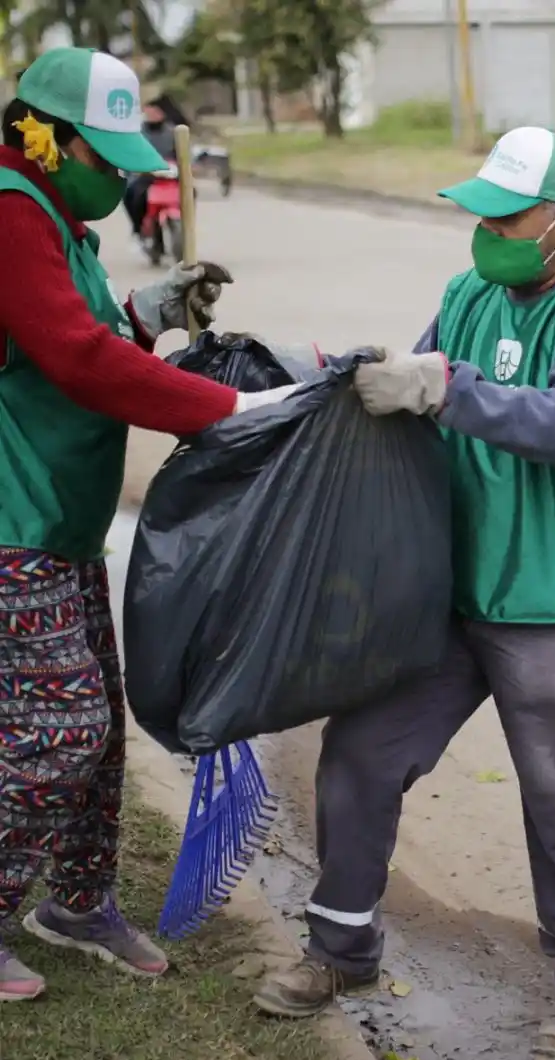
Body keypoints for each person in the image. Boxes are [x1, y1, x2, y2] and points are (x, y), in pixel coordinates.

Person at [254, 126, 555, 1060]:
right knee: (363, 750)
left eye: (507, 215)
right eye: (480, 211)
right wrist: (339, 385)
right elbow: (418, 392)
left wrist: (443, 388)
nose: (485, 230)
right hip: (453, 586)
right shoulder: (470, 293)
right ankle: (341, 948)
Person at [0, 47, 299, 1001]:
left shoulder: (54, 219)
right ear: (48, 137)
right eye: (110, 155)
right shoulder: (9, 214)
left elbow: (76, 332)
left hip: (61, 517)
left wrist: (147, 310)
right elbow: (77, 359)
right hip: (13, 521)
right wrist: (228, 411)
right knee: (61, 728)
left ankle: (78, 902)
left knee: (99, 727)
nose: (123, 174)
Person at [122, 95, 176, 238]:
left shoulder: (174, 132)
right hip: (143, 175)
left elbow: (182, 155)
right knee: (132, 194)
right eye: (150, 111)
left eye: (156, 111)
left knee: (190, 192)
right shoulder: (136, 133)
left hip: (170, 176)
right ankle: (138, 229)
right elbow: (129, 154)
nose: (153, 114)